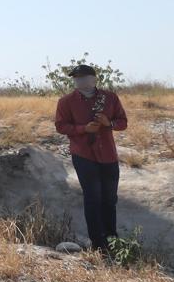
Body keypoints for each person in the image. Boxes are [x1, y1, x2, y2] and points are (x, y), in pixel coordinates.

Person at [55, 64, 128, 253]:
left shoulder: (110, 98)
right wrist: (83, 129)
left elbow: (123, 123)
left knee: (110, 199)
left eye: (84, 77)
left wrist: (108, 123)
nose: (80, 81)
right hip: (83, 155)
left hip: (108, 155)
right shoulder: (66, 101)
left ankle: (112, 240)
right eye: (77, 78)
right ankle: (98, 243)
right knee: (93, 198)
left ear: (94, 79)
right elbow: (61, 126)